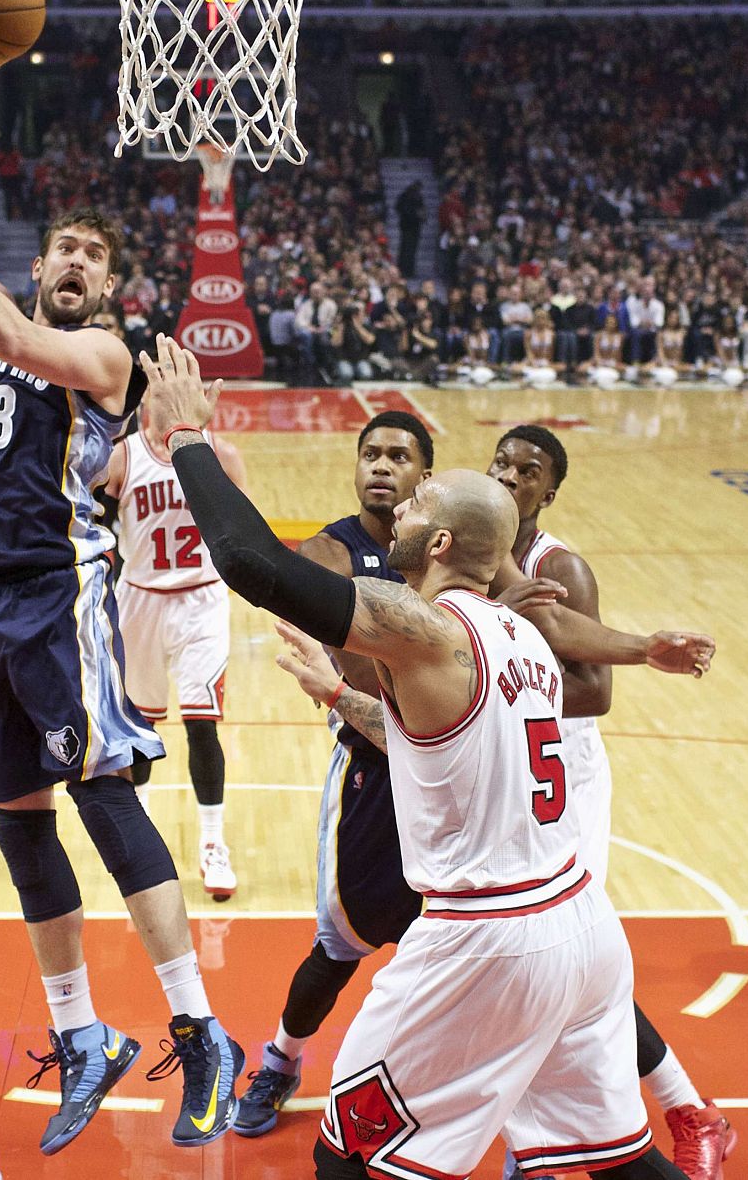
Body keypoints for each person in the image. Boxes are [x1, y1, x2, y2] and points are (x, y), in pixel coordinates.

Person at [137, 334, 713, 1180]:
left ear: (440, 545)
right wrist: (338, 699)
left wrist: (188, 438)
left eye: (418, 504)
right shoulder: (515, 628)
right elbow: (434, 736)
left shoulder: (427, 630)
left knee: (350, 1153)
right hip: (582, 928)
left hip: (490, 943)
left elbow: (250, 562)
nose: (400, 507)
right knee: (621, 1163)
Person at [0, 43, 243, 1153]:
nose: (72, 261)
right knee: (18, 816)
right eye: (62, 245)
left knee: (105, 794)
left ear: (107, 287)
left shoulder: (97, 352)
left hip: (55, 593)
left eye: (92, 255)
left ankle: (199, 1029)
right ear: (39, 259)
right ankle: (81, 1036)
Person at [489, 426, 738, 1180]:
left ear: (548, 492)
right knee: (529, 966)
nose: (509, 475)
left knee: (562, 962)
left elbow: (594, 693)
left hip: (561, 777)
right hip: (505, 772)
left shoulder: (558, 565)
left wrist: (488, 687)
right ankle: (671, 1113)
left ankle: (682, 1113)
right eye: (501, 461)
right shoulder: (472, 552)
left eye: (528, 471)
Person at [233, 412, 434, 1138]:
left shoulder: (442, 554)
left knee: (456, 945)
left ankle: (438, 1088)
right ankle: (281, 1062)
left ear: (425, 476)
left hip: (447, 773)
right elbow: (366, 676)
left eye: (399, 456)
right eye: (370, 454)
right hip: (374, 772)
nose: (381, 466)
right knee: (342, 942)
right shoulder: (329, 552)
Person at [103, 402, 249, 900]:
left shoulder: (220, 455)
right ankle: (139, 839)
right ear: (144, 403)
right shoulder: (122, 457)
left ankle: (213, 843)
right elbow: (94, 524)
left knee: (201, 722)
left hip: (201, 598)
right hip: (139, 600)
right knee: (139, 727)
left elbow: (243, 533)